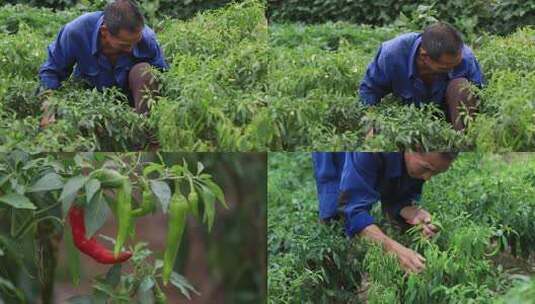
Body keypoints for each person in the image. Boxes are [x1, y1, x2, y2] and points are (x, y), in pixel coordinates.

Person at [312, 152, 456, 273]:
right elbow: (351, 212)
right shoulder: (369, 151)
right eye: (426, 168)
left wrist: (409, 210)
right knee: (335, 218)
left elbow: (400, 195)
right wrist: (393, 249)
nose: (427, 177)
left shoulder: (418, 162)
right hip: (336, 155)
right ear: (410, 147)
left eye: (436, 173)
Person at [38, 0, 169, 127]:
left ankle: (144, 132)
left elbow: (162, 77)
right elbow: (51, 71)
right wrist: (48, 111)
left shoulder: (147, 38)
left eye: (135, 42)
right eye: (125, 44)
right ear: (104, 32)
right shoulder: (76, 32)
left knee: (144, 71)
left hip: (133, 103)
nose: (131, 48)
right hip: (91, 101)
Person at [359, 22, 484, 130]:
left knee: (461, 86)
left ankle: (464, 143)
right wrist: (370, 126)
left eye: (455, 65)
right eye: (445, 67)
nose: (452, 69)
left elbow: (480, 94)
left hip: (450, 121)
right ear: (424, 56)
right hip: (409, 122)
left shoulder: (466, 58)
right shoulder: (392, 55)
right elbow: (369, 91)